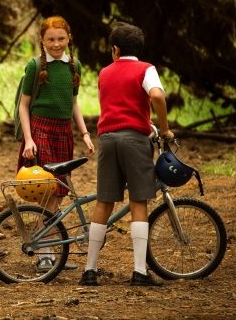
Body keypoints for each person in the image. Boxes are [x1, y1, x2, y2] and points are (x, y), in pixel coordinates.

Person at [80, 22, 174, 287]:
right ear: (139, 50)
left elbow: (118, 106)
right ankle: (139, 272)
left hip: (107, 139)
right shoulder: (146, 69)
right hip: (134, 141)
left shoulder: (105, 72)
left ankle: (90, 270)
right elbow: (156, 95)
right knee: (138, 201)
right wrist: (163, 129)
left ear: (115, 50)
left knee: (104, 202)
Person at [17, 15, 95, 272]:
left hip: (63, 131)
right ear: (42, 40)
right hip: (40, 129)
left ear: (68, 38)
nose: (56, 44)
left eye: (61, 38)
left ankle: (49, 247)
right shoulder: (35, 66)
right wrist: (28, 139)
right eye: (51, 39)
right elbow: (24, 105)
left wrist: (84, 133)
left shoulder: (75, 67)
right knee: (45, 189)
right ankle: (44, 253)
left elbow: (73, 103)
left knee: (59, 193)